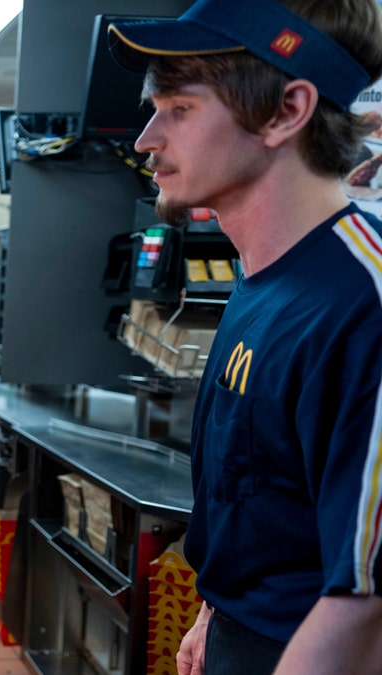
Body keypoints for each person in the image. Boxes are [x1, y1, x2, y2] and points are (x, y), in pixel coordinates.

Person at [108, 1, 382, 673]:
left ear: (286, 110)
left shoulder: (362, 304)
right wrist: (216, 609)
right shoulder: (262, 277)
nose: (146, 137)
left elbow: (367, 597)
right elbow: (259, 486)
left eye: (178, 107)